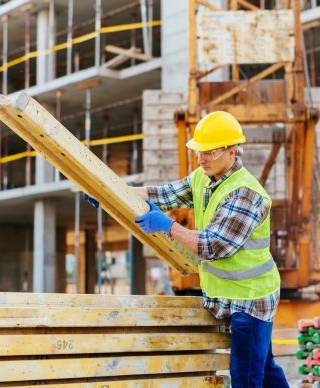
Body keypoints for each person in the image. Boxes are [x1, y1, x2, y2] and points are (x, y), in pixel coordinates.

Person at [84, 111, 289, 388]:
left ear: (232, 152)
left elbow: (212, 246)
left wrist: (168, 226)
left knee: (246, 377)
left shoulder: (246, 194)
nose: (201, 159)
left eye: (209, 152)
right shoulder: (204, 177)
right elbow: (164, 194)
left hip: (251, 298)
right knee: (263, 366)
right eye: (198, 152)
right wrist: (110, 192)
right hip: (231, 294)